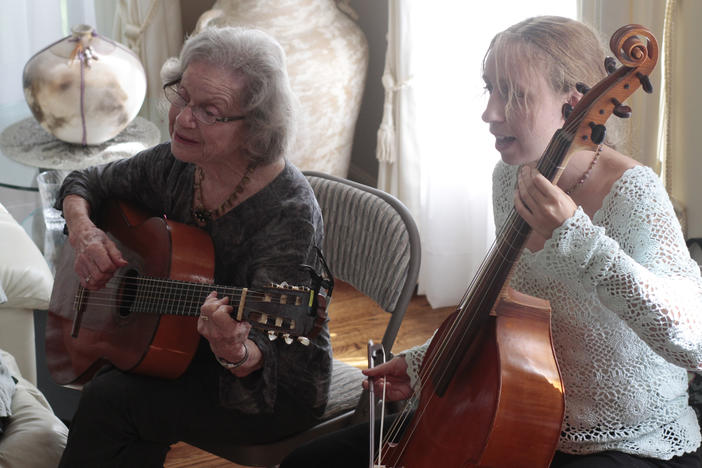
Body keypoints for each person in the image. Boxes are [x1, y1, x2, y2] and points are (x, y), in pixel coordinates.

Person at [281, 16, 702, 468]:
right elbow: (511, 317)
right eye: (490, 89)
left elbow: (692, 340)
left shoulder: (634, 193)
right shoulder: (511, 176)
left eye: (515, 94)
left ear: (574, 102)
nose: (490, 113)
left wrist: (579, 237)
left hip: (628, 441)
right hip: (520, 413)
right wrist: (426, 364)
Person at [55, 26, 332, 467]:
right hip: (179, 347)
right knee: (110, 378)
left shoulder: (288, 211)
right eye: (182, 96)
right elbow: (85, 181)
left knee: (111, 398)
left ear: (256, 127)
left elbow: (272, 349)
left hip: (268, 387)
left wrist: (235, 351)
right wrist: (85, 232)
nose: (183, 118)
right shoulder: (177, 163)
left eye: (210, 111)